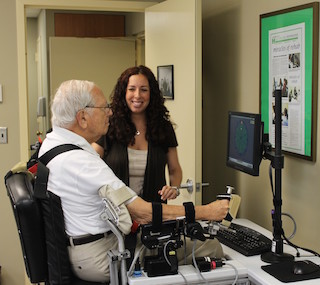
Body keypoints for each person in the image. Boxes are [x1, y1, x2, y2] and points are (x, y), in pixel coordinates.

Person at [39, 79, 229, 283]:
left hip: (85, 247)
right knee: (210, 246)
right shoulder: (83, 163)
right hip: (101, 256)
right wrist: (206, 212)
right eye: (104, 108)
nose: (109, 113)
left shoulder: (52, 143)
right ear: (83, 117)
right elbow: (145, 213)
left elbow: (172, 173)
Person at [93, 65, 182, 203]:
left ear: (151, 94)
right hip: (116, 213)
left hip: (153, 214)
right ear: (124, 92)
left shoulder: (163, 127)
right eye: (132, 89)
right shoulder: (109, 125)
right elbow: (91, 165)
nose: (137, 95)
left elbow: (175, 170)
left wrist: (174, 188)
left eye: (144, 90)